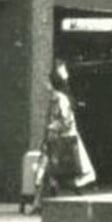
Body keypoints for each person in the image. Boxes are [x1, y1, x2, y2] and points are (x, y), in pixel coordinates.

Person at [38, 62, 96, 210]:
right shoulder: (56, 98)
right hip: (56, 138)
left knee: (55, 168)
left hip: (60, 139)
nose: (45, 83)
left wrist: (52, 128)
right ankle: (45, 198)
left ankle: (43, 200)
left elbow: (66, 120)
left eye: (47, 80)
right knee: (56, 169)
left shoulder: (60, 99)